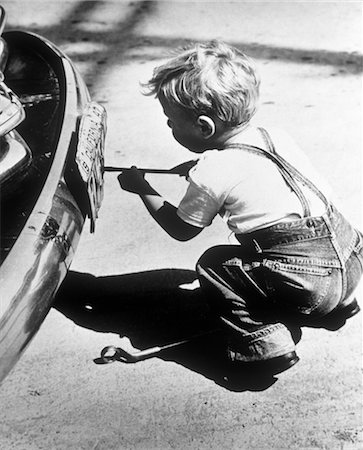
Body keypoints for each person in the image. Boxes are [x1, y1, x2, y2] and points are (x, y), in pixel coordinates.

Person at [118, 40, 362, 376]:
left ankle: (265, 344)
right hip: (349, 260)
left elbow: (181, 229)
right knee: (306, 253)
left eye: (171, 120)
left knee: (214, 264)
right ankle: (338, 307)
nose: (169, 127)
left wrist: (142, 188)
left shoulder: (213, 171)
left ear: (204, 127)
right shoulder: (272, 136)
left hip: (307, 283)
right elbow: (253, 172)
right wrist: (203, 166)